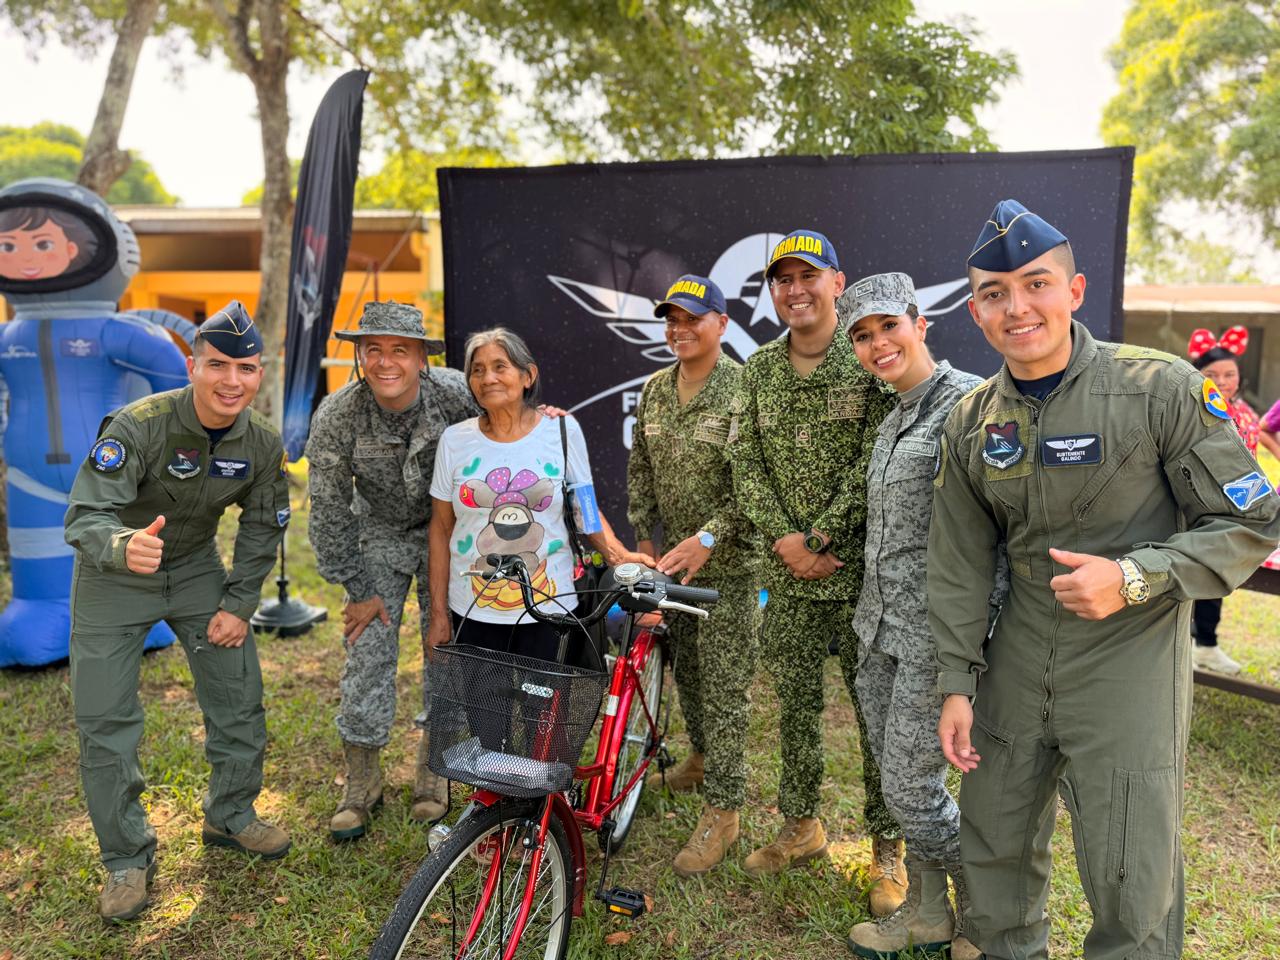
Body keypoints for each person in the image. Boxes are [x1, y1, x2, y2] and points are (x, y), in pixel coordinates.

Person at [929, 199, 1280, 960]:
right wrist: (956, 682)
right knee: (993, 837)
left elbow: (1252, 522)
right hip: (1016, 654)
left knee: (1131, 865)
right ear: (975, 311)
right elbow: (958, 561)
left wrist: (1135, 575)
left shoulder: (1161, 391)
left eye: (1036, 284)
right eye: (995, 293)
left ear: (1076, 290)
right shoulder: (970, 422)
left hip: (1130, 656)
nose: (1017, 307)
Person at [63, 302, 294, 922]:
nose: (230, 381)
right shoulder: (140, 425)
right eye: (217, 365)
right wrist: (121, 546)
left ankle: (232, 815)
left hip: (194, 570)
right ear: (193, 365)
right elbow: (85, 515)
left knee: (237, 697)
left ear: (259, 374)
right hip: (115, 576)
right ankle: (126, 859)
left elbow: (264, 524)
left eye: (245, 369)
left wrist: (240, 603)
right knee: (105, 722)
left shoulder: (262, 442)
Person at [731, 229, 905, 914]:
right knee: (795, 712)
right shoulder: (759, 369)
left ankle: (889, 848)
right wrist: (786, 542)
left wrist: (821, 537)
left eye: (810, 276)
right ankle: (801, 827)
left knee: (876, 717)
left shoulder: (870, 357)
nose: (795, 290)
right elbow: (745, 463)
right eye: (782, 279)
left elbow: (878, 457)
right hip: (794, 579)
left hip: (859, 573)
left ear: (837, 282)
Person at [838, 273, 988, 959]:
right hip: (878, 632)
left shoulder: (971, 406)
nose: (877, 345)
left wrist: (974, 645)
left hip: (934, 638)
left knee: (912, 789)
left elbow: (999, 536)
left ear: (919, 323)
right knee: (903, 791)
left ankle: (990, 917)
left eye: (887, 327)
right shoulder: (894, 416)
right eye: (862, 337)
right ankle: (929, 915)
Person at [306, 301, 477, 841]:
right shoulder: (339, 414)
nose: (384, 363)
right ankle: (362, 781)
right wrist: (357, 588)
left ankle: (434, 770)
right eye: (372, 349)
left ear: (421, 358)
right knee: (368, 649)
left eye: (399, 350)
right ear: (359, 355)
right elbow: (329, 506)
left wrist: (544, 416)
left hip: (445, 532)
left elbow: (510, 423)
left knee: (444, 649)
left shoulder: (457, 395)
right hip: (377, 532)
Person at [626, 274, 758, 877]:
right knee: (690, 672)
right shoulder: (654, 390)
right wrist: (644, 543)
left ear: (722, 324)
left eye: (692, 319)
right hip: (671, 568)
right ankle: (702, 756)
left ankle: (725, 812)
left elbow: (756, 483)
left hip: (729, 564)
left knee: (727, 685)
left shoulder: (745, 389)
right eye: (670, 320)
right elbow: (641, 470)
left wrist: (710, 537)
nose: (679, 330)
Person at [427, 327, 652, 661]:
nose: (488, 377)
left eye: (500, 366)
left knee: (546, 714)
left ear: (527, 375)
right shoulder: (454, 440)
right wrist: (439, 615)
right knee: (485, 713)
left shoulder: (561, 430)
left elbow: (584, 508)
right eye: (478, 370)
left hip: (551, 610)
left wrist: (618, 556)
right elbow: (441, 528)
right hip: (474, 612)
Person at [1185, 326, 1280, 674]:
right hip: (1194, 509)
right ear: (1195, 375)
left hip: (1234, 509)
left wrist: (1257, 507)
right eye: (1211, 374)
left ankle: (1205, 644)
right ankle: (1194, 645)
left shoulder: (1245, 413)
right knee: (1194, 575)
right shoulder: (1188, 411)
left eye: (1229, 374)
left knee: (1216, 576)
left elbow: (1249, 464)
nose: (1222, 381)